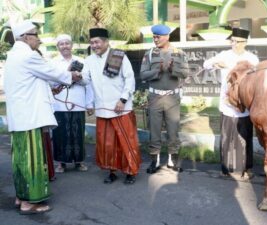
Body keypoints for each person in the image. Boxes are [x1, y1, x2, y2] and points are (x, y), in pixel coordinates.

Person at [4, 20, 81, 214]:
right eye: (36, 34)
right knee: (32, 160)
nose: (39, 39)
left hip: (20, 118)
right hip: (30, 118)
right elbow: (54, 73)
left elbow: (38, 80)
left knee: (20, 160)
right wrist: (72, 75)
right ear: (25, 37)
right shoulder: (28, 56)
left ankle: (21, 197)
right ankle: (30, 202)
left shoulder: (13, 55)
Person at [81, 28, 141, 184]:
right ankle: (112, 171)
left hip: (121, 108)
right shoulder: (89, 60)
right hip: (103, 109)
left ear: (106, 42)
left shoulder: (118, 56)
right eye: (92, 42)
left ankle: (130, 172)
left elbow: (129, 79)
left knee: (126, 141)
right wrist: (75, 77)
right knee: (107, 143)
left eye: (97, 42)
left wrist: (122, 100)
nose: (94, 45)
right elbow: (85, 80)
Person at [203, 28, 259, 179]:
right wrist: (216, 64)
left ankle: (246, 168)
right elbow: (206, 64)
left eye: (237, 42)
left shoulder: (252, 58)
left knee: (244, 137)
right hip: (227, 104)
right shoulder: (224, 55)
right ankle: (226, 168)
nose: (234, 44)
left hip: (244, 106)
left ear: (245, 42)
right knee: (227, 137)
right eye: (232, 41)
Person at [140, 24, 189, 174]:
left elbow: (186, 73)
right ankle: (154, 161)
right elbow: (142, 75)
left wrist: (172, 69)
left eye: (158, 36)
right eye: (154, 36)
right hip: (155, 97)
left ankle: (172, 160)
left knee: (173, 131)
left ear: (167, 36)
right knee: (154, 130)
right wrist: (157, 70)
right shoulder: (149, 54)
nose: (155, 39)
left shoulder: (179, 54)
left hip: (172, 98)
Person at [50, 34, 94, 173]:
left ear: (72, 45)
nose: (65, 46)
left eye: (67, 43)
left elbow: (88, 82)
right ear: (58, 47)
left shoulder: (81, 61)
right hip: (60, 103)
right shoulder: (53, 63)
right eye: (61, 44)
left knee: (77, 133)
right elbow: (51, 82)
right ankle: (61, 163)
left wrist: (78, 77)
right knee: (60, 134)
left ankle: (79, 162)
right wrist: (68, 75)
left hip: (77, 102)